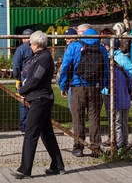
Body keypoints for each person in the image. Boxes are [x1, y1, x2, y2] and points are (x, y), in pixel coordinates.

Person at [11, 31, 65, 179]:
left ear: (36, 44)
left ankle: (25, 169)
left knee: (30, 133)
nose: (29, 45)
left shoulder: (44, 58)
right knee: (47, 133)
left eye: (31, 43)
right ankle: (58, 166)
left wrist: (22, 90)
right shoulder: (39, 57)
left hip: (40, 99)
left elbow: (36, 79)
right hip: (41, 98)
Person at [58, 24, 109, 158]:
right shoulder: (102, 48)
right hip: (96, 87)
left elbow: (65, 67)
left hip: (77, 86)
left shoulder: (74, 46)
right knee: (94, 118)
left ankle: (78, 147)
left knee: (78, 118)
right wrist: (104, 84)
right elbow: (106, 68)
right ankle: (96, 147)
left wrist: (63, 85)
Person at [12, 28, 35, 133]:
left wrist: (17, 78)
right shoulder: (38, 48)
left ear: (24, 38)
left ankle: (24, 127)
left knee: (23, 101)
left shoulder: (21, 49)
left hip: (24, 78)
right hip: (36, 78)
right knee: (35, 101)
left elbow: (16, 65)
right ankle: (34, 126)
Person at [62, 27, 78, 113]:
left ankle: (76, 126)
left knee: (74, 107)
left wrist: (63, 85)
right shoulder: (80, 46)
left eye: (67, 37)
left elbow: (65, 67)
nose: (65, 39)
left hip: (73, 81)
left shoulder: (71, 48)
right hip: (74, 81)